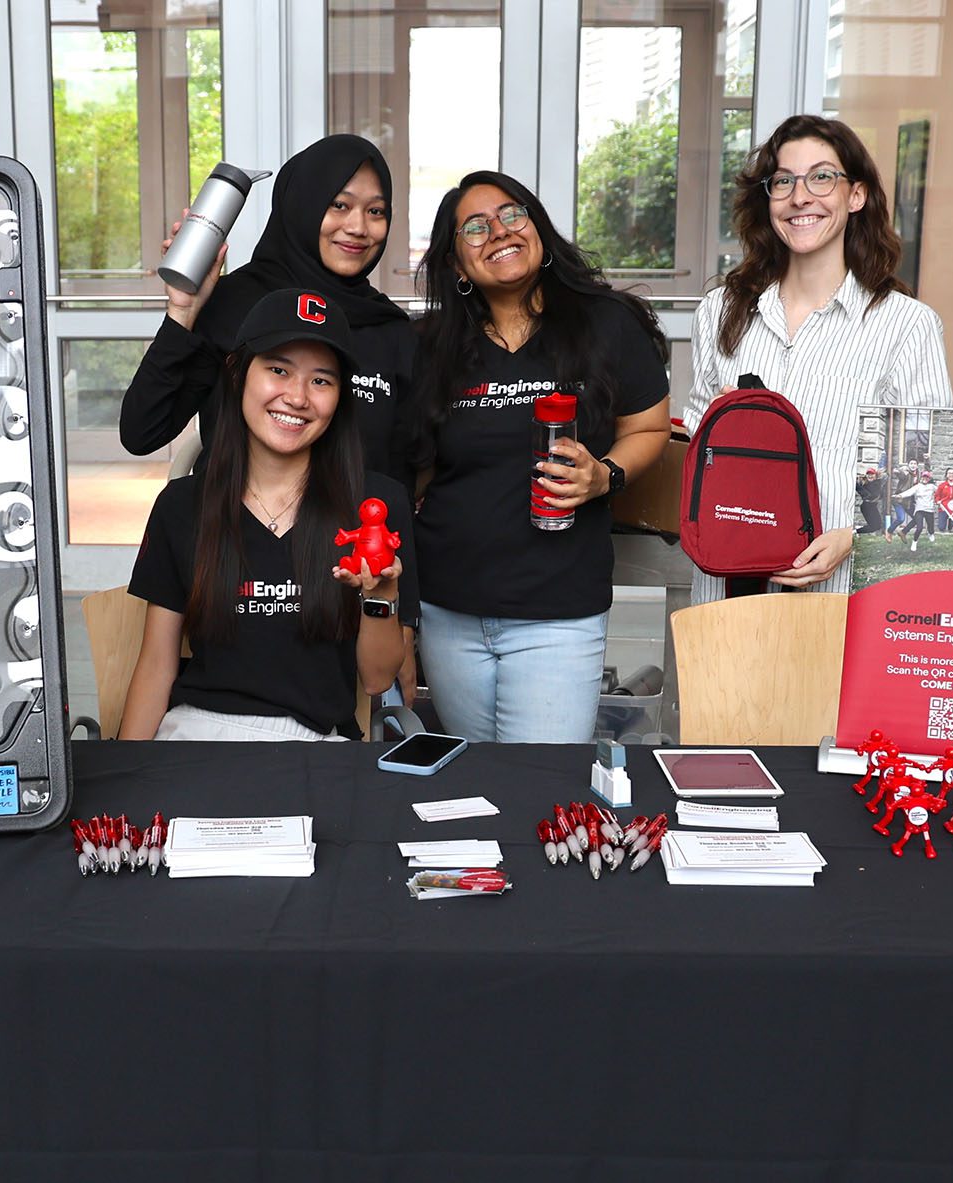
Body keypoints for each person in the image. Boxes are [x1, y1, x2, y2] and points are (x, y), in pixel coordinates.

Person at [408, 170, 670, 743]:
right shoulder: (432, 346)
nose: (497, 231)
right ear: (455, 264)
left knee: (541, 781)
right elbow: (417, 467)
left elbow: (648, 426)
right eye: (473, 228)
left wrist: (607, 475)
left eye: (512, 214)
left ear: (539, 229)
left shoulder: (605, 323)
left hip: (558, 611)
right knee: (474, 779)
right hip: (449, 611)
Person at [121, 288, 416, 741]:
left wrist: (382, 595)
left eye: (322, 380)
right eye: (278, 370)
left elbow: (377, 681)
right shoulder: (182, 505)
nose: (297, 397)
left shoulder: (374, 507)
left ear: (340, 398)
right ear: (238, 373)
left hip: (318, 747)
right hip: (199, 733)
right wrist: (132, 778)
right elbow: (156, 667)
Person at [685, 114, 953, 599]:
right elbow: (696, 436)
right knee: (727, 678)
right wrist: (719, 419)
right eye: (784, 181)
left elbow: (923, 462)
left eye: (822, 177)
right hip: (729, 587)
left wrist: (854, 537)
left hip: (838, 592)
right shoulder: (721, 310)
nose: (800, 196)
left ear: (856, 195)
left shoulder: (906, 325)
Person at [119, 134, 418, 492]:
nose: (358, 227)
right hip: (233, 535)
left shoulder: (391, 329)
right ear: (302, 205)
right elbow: (142, 433)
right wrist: (183, 313)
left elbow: (403, 471)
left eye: (375, 211)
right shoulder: (233, 303)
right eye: (339, 205)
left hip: (350, 541)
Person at [895, 472, 937, 550]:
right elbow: (909, 492)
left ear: (929, 479)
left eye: (927, 477)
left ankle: (930, 533)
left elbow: (941, 492)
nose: (925, 479)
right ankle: (914, 542)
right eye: (923, 477)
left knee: (931, 528)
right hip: (919, 510)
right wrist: (900, 495)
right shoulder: (917, 487)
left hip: (929, 510)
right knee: (919, 528)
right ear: (921, 478)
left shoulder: (932, 487)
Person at [933, 467, 953, 533]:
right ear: (946, 475)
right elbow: (937, 496)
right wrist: (938, 502)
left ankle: (951, 524)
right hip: (943, 508)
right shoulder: (942, 485)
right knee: (941, 528)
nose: (951, 475)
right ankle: (947, 523)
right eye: (949, 473)